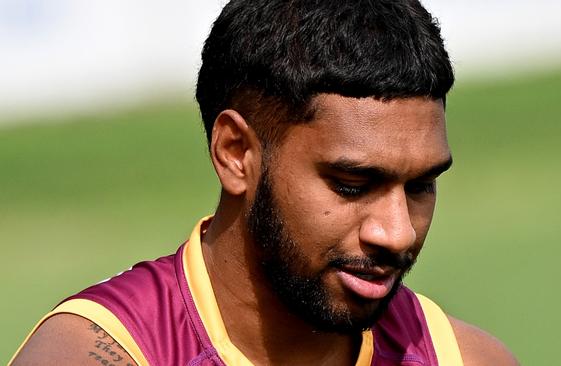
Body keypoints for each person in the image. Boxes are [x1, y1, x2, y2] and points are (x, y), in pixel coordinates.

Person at [12, 0, 519, 365]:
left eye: (420, 186)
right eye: (350, 184)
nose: (398, 233)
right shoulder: (92, 355)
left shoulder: (463, 358)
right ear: (236, 153)